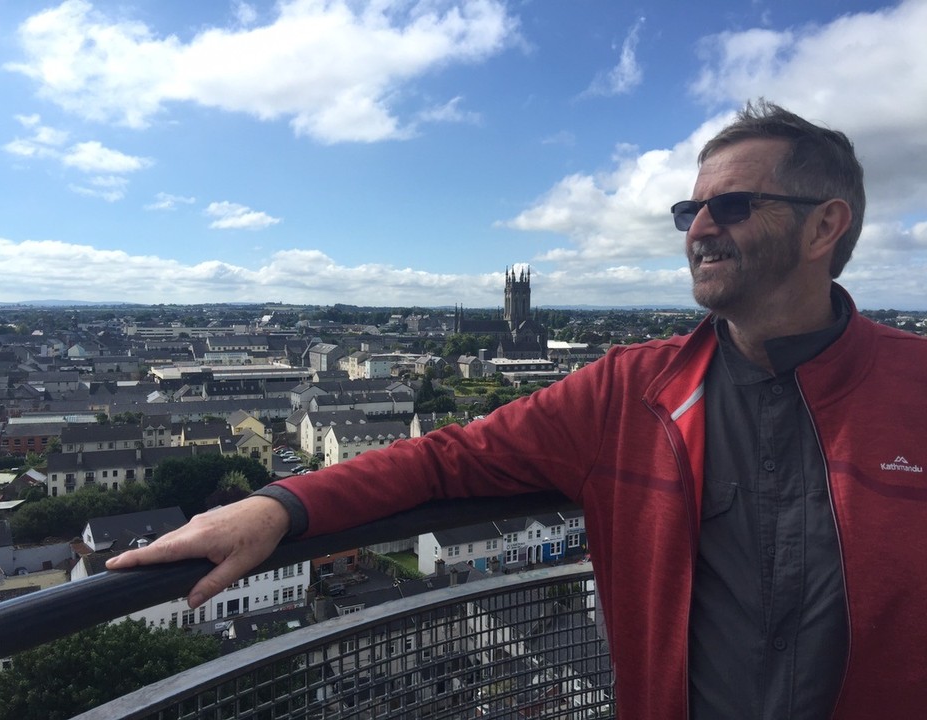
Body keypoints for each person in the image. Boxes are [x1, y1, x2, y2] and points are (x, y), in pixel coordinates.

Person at [108, 100, 927, 718]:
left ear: (826, 226)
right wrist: (278, 505)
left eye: (734, 205)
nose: (700, 227)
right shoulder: (627, 391)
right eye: (690, 210)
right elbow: (447, 456)